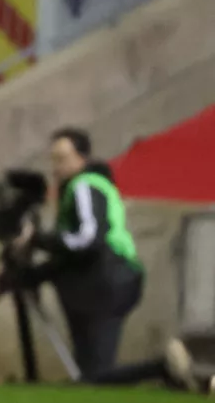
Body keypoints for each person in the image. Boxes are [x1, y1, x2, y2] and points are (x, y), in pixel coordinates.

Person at [12, 128, 145, 381]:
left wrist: (37, 239)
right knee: (90, 367)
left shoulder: (84, 185)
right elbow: (73, 251)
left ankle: (163, 367)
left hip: (108, 279)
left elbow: (87, 239)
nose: (55, 167)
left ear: (81, 158)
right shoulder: (83, 187)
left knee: (97, 371)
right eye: (53, 159)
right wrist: (36, 273)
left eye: (62, 158)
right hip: (106, 278)